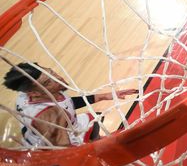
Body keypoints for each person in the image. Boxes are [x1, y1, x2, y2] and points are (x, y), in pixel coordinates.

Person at [3, 63, 137, 147]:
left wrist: (103, 96)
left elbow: (67, 102)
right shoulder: (51, 116)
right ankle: (95, 144)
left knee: (93, 119)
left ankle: (96, 139)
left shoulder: (28, 93)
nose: (58, 79)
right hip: (51, 146)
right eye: (47, 82)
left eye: (52, 73)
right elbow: (65, 151)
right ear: (34, 93)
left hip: (63, 128)